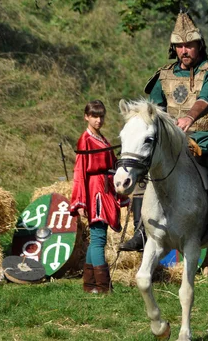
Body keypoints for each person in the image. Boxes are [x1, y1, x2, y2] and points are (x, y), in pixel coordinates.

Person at [145, 11, 208, 244]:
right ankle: (141, 230)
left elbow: (207, 98)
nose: (184, 50)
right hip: (174, 142)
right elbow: (153, 108)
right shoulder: (164, 75)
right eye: (179, 46)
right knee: (145, 171)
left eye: (189, 45)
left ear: (200, 45)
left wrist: (189, 117)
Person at [70, 100, 129, 293]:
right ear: (86, 116)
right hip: (94, 191)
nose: (98, 120)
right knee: (98, 239)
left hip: (104, 189)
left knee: (97, 238)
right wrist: (80, 201)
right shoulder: (85, 140)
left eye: (101, 116)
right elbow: (79, 172)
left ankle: (90, 285)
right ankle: (104, 287)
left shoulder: (102, 139)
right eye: (94, 116)